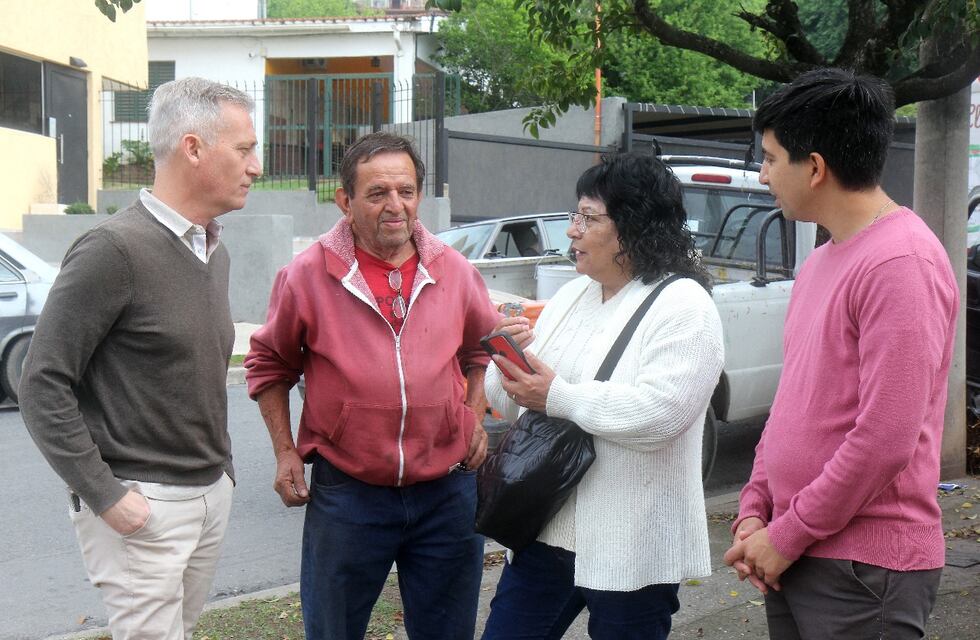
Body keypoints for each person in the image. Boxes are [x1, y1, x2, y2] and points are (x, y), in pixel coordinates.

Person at [19, 77, 261, 639]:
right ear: (193, 147)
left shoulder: (210, 248)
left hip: (207, 495)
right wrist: (107, 497)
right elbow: (42, 383)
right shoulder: (113, 250)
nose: (256, 166)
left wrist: (220, 479)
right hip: (142, 508)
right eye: (244, 149)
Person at [723, 68, 958, 639]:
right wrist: (756, 506)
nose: (763, 174)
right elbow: (793, 405)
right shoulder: (823, 261)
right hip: (797, 549)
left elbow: (885, 438)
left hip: (863, 570)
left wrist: (786, 533)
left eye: (772, 158)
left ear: (816, 167)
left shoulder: (900, 264)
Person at [244, 131, 499, 640]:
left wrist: (473, 408)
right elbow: (270, 364)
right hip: (349, 495)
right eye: (377, 193)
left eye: (405, 191)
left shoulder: (455, 271)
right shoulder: (306, 275)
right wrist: (285, 452)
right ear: (346, 200)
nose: (395, 206)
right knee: (333, 631)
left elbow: (482, 346)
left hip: (447, 491)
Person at [480, 152, 725, 640]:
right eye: (576, 215)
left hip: (632, 546)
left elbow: (661, 416)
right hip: (547, 525)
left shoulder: (684, 306)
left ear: (633, 227)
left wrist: (557, 396)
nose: (572, 230)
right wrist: (506, 360)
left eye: (588, 218)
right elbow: (508, 404)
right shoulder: (574, 296)